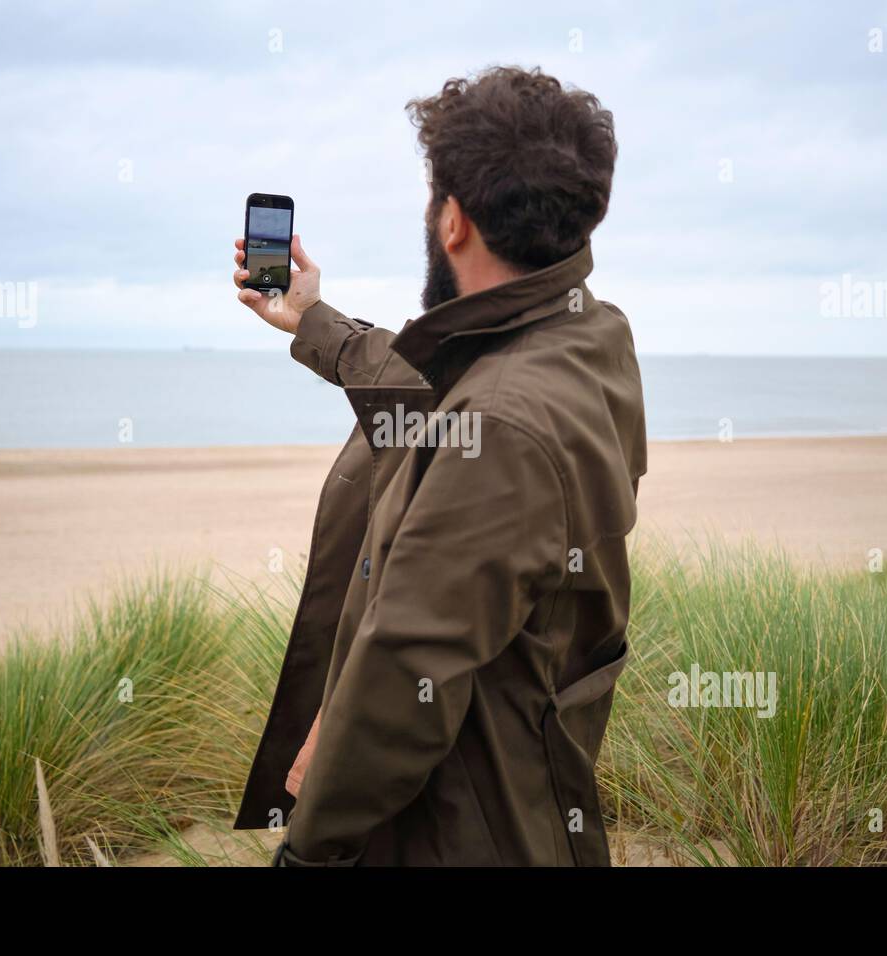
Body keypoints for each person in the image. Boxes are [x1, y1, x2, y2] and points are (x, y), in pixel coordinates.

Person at [230, 66, 647, 866]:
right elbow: (440, 404)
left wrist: (309, 851)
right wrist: (313, 320)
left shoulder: (500, 429)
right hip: (526, 791)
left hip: (461, 826)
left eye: (433, 198)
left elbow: (405, 676)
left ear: (451, 221)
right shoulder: (588, 338)